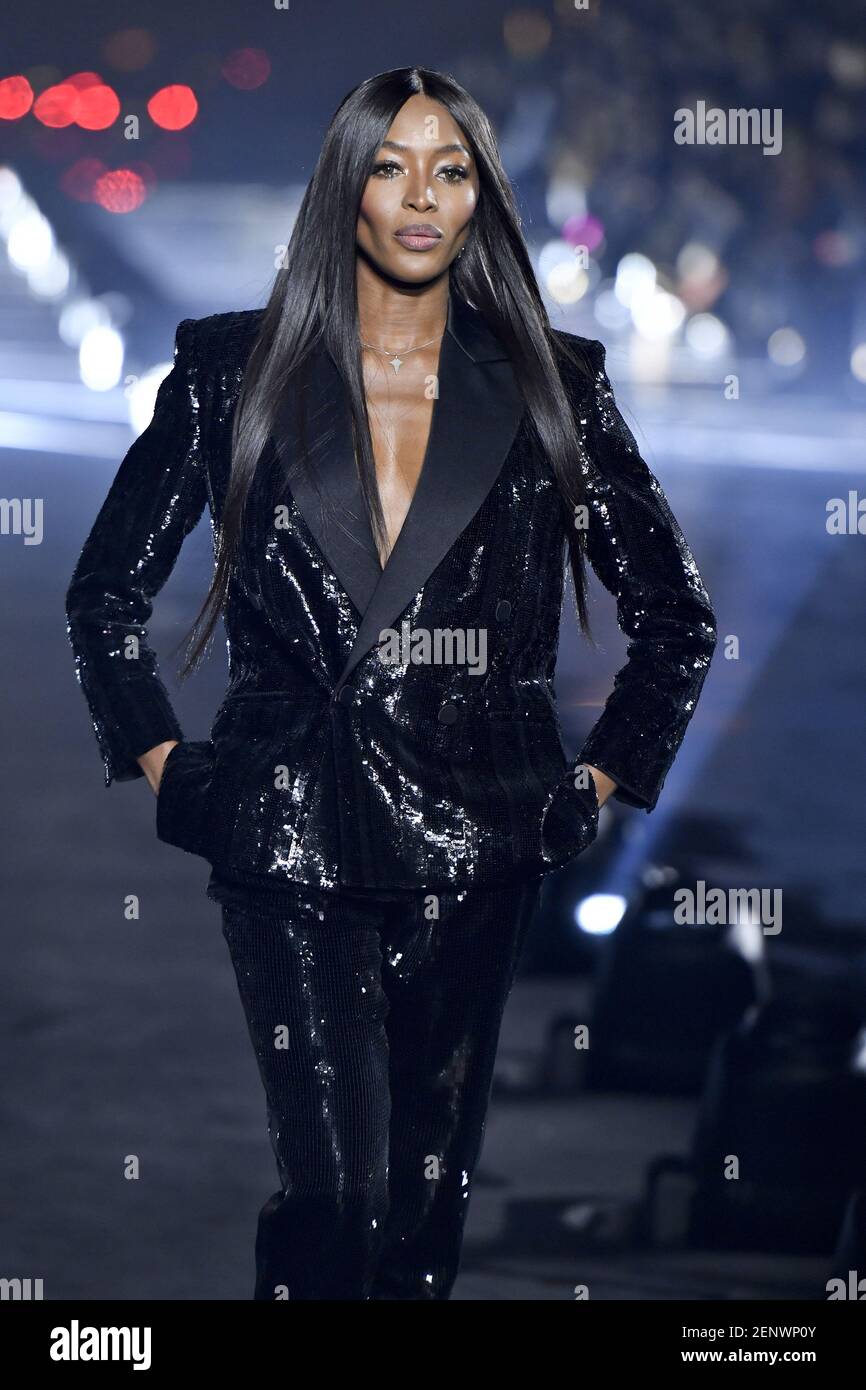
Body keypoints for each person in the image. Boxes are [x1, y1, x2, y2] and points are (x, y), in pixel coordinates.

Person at [65, 65, 717, 1300]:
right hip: (286, 832)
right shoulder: (227, 370)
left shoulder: (550, 384)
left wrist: (588, 784)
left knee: (420, 1213)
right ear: (346, 190)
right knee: (334, 1196)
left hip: (477, 834)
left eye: (451, 168)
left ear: (479, 196)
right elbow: (103, 596)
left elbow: (675, 615)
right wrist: (173, 772)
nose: (421, 195)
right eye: (389, 165)